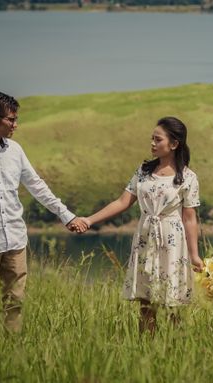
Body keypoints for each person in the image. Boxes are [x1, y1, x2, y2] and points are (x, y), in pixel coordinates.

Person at [0, 92, 88, 332]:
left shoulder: (15, 150)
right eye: (11, 119)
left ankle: (12, 346)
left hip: (15, 239)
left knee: (15, 302)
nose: (16, 124)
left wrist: (67, 216)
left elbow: (37, 186)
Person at [71, 116, 204, 335]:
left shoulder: (188, 177)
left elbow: (190, 218)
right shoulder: (143, 170)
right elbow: (122, 202)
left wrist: (195, 255)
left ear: (174, 144)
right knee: (146, 301)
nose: (152, 143)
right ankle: (146, 347)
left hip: (173, 242)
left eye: (157, 139)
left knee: (174, 303)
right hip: (145, 238)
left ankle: (177, 350)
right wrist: (89, 219)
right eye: (151, 138)